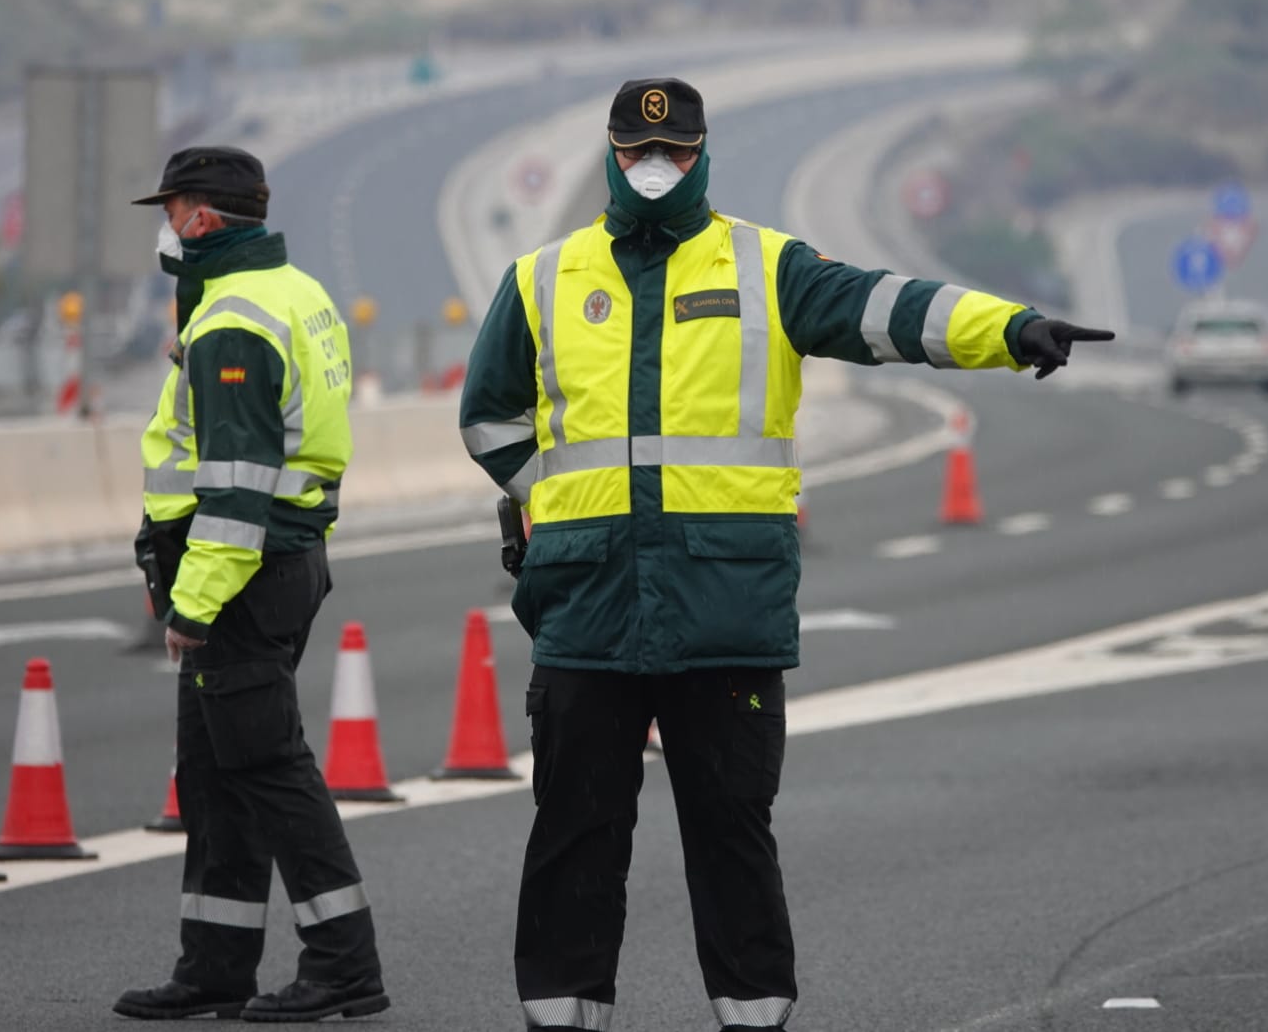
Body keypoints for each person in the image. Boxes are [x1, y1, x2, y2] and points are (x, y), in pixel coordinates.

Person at [459, 77, 1114, 1031]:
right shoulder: (542, 278)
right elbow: (487, 418)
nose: (654, 167)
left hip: (726, 614)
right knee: (573, 844)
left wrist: (1012, 331)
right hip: (587, 611)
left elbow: (890, 310)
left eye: (674, 151)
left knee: (732, 843)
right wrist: (552, 506)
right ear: (608, 153)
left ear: (702, 156)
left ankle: (755, 1020)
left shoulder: (769, 267)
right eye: (637, 150)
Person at [114, 147, 387, 1023]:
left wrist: (192, 604)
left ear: (200, 218)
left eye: (172, 209)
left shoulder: (234, 318)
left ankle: (344, 964)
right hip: (280, 558)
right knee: (215, 772)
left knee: (267, 767)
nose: (166, 225)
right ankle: (215, 965)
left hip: (242, 569)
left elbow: (233, 487)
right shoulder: (296, 291)